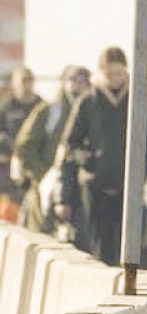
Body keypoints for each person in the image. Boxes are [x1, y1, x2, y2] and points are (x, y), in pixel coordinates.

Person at [56, 47, 147, 265]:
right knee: (101, 247)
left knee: (133, 248)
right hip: (96, 186)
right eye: (110, 73)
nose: (115, 78)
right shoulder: (88, 102)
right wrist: (89, 161)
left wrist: (142, 163)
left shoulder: (138, 101)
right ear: (101, 73)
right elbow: (70, 144)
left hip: (130, 188)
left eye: (119, 72)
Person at [12, 65, 89, 233]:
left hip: (80, 189)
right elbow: (25, 145)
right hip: (44, 188)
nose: (77, 85)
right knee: (40, 235)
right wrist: (43, 173)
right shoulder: (50, 111)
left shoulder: (91, 112)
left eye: (83, 81)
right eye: (72, 80)